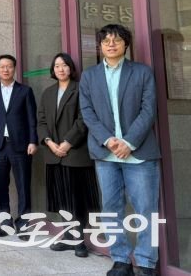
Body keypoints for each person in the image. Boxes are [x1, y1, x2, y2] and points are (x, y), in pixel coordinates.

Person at [79, 24, 160, 276]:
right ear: (100, 46)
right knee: (111, 208)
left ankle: (146, 262)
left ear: (126, 44)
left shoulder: (142, 72)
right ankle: (121, 259)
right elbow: (87, 112)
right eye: (106, 41)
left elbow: (148, 110)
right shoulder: (89, 76)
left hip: (139, 152)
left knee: (146, 209)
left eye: (116, 40)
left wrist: (129, 142)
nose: (111, 44)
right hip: (106, 153)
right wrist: (108, 140)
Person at [37, 52, 100, 258]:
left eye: (64, 65)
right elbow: (41, 121)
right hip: (53, 153)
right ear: (52, 70)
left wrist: (67, 143)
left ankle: (79, 240)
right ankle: (67, 236)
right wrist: (49, 142)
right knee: (62, 199)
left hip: (75, 153)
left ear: (71, 68)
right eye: (57, 66)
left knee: (77, 199)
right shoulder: (48, 93)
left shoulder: (81, 89)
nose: (60, 69)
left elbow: (84, 120)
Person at [0, 54, 37, 238]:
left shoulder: (25, 91)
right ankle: (5, 223)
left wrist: (33, 141)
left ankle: (23, 224)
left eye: (9, 66)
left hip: (20, 146)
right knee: (1, 186)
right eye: (2, 67)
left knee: (23, 186)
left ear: (14, 68)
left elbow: (31, 119)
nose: (6, 70)